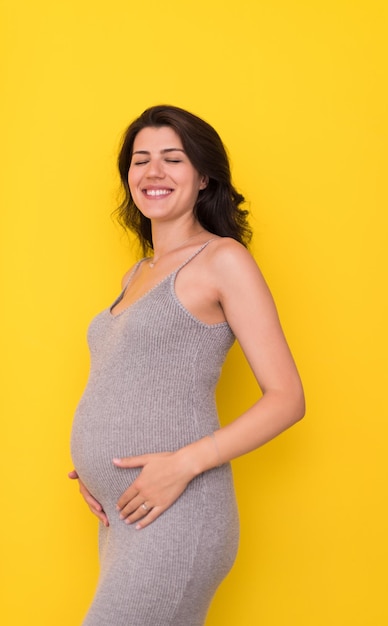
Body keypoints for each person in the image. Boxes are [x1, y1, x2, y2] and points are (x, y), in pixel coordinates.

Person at [69, 104, 305, 626]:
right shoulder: (138, 272)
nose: (152, 173)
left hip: (178, 510)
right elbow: (131, 379)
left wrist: (182, 464)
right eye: (140, 160)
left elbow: (288, 398)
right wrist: (92, 466)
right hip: (126, 518)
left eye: (172, 159)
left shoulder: (222, 260)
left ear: (203, 177)